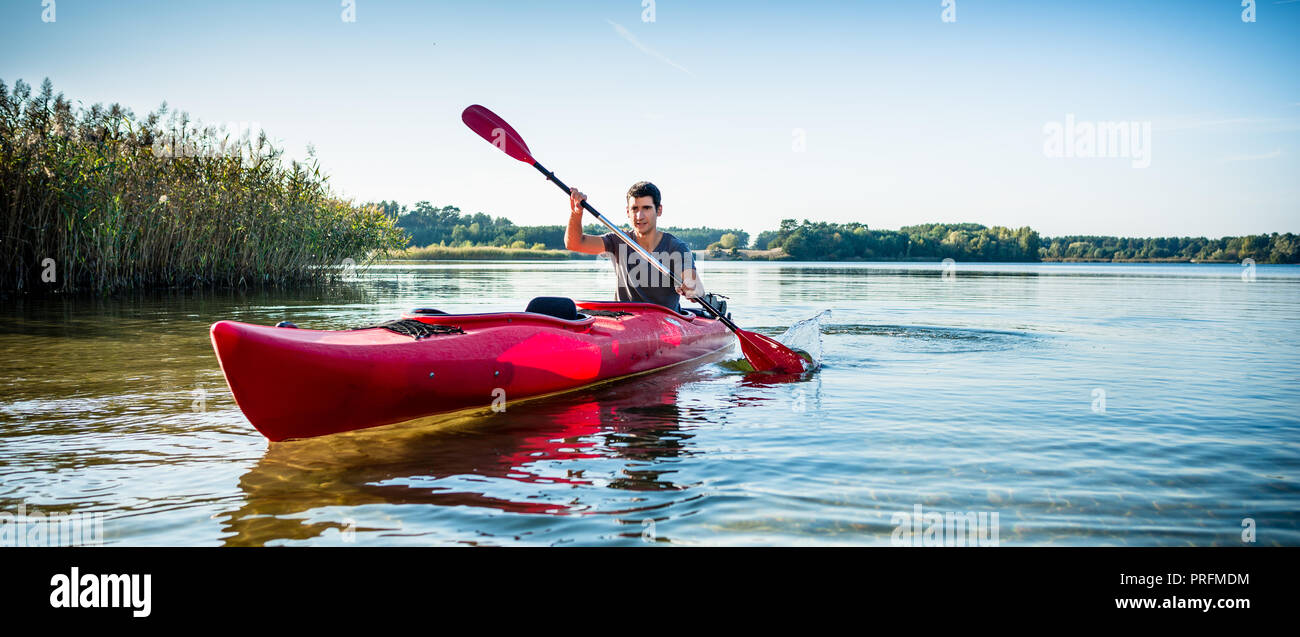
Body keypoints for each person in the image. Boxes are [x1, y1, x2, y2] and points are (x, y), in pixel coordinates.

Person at [564, 181, 703, 314]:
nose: (639, 216)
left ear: (659, 210)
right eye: (634, 209)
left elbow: (695, 284)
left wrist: (692, 288)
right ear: (628, 212)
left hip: (666, 321)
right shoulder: (618, 240)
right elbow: (574, 243)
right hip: (626, 319)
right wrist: (576, 213)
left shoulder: (676, 247)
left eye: (646, 208)